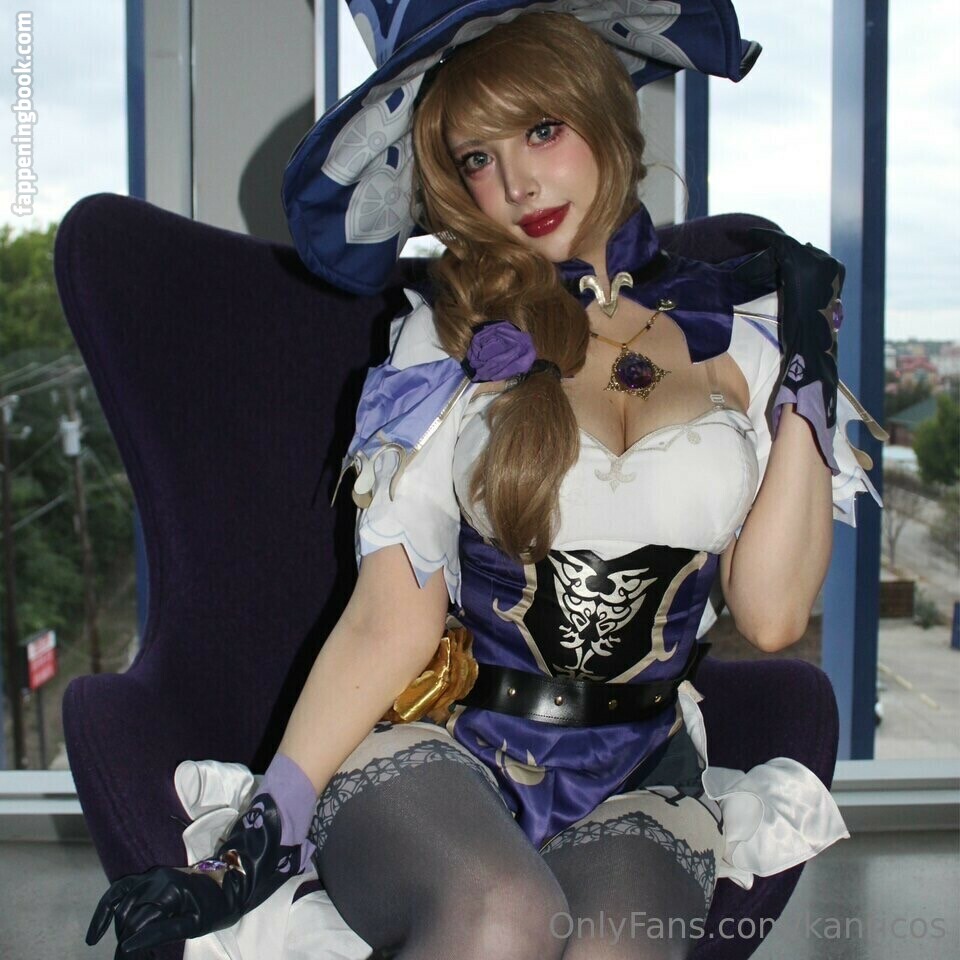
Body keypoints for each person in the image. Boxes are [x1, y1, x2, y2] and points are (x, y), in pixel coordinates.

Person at [88, 4, 884, 958]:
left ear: (605, 112)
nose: (515, 183)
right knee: (503, 913)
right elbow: (388, 622)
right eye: (477, 157)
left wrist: (807, 371)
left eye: (542, 130)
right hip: (444, 752)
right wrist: (253, 843)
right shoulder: (446, 342)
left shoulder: (743, 342)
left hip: (640, 773)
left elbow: (772, 616)